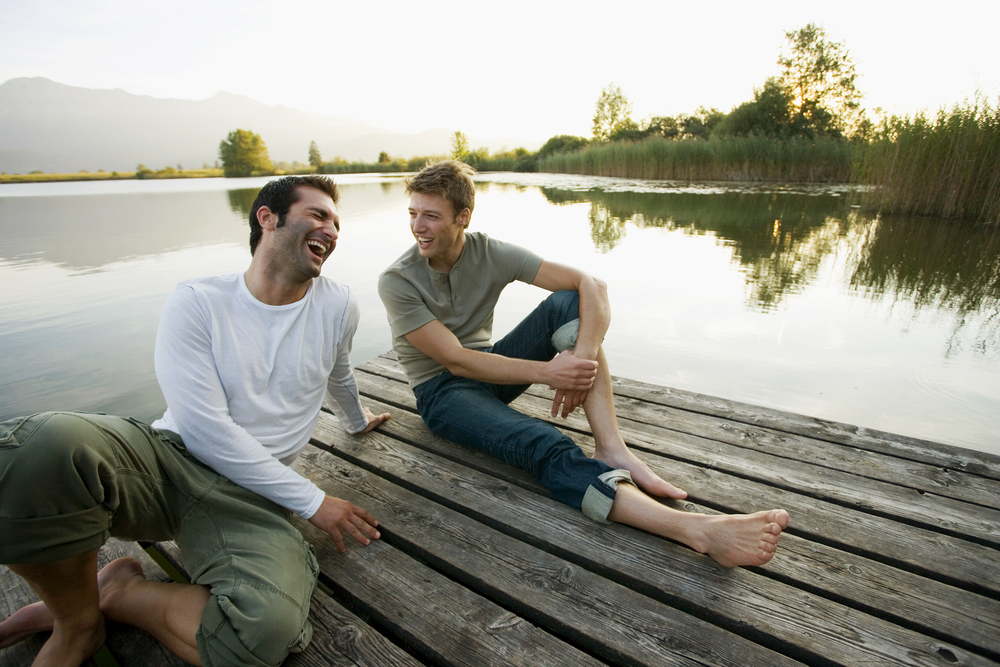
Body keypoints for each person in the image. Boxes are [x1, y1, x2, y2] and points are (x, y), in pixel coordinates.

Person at [0, 175, 390, 667]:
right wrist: (314, 501)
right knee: (36, 447)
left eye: (336, 222)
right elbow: (203, 428)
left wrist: (357, 422)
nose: (332, 230)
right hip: (167, 462)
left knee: (263, 631)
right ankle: (75, 621)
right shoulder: (198, 302)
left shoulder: (338, 305)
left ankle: (118, 594)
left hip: (249, 499)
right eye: (318, 215)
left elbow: (340, 373)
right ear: (267, 219)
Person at [378, 160, 788, 569]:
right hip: (442, 395)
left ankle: (612, 447)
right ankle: (697, 531)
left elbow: (592, 285)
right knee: (543, 441)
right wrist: (549, 372)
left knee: (569, 303)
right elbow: (456, 360)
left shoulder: (489, 251)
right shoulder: (397, 279)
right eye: (413, 214)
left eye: (430, 216)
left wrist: (582, 358)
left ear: (462, 217)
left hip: (490, 374)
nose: (418, 226)